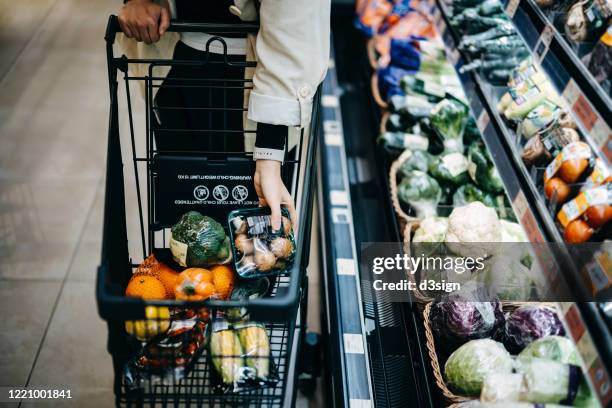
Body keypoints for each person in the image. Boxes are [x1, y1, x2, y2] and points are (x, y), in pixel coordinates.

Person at [118, 0, 330, 231]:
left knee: (256, 240)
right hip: (174, 59)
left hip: (258, 84)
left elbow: (293, 21)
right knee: (187, 230)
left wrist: (269, 153)